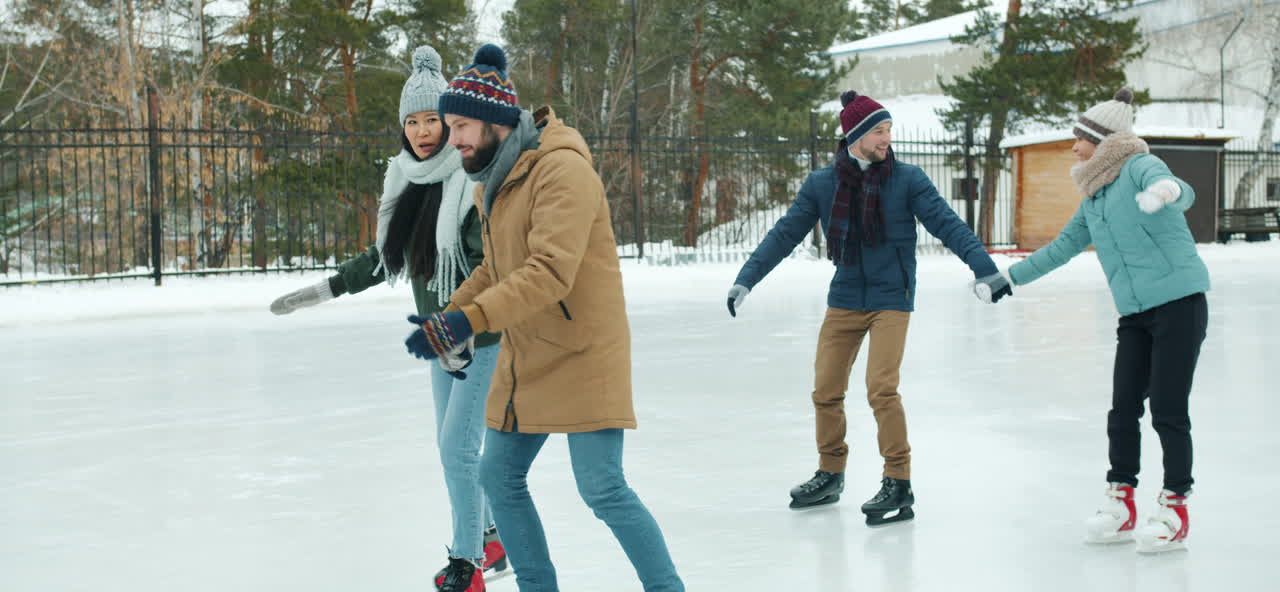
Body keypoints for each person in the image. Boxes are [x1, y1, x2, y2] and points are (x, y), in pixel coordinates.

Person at [404, 43, 684, 592]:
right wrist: (452, 314)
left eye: (460, 125)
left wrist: (469, 321)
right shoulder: (496, 179)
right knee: (498, 476)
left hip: (583, 351)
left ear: (493, 123)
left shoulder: (562, 171)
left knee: (601, 485)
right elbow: (494, 268)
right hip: (527, 352)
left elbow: (549, 271)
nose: (450, 137)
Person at [268, 45, 506, 591]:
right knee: (454, 448)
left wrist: (460, 322)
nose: (423, 131)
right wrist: (327, 287)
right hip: (437, 336)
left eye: (433, 120)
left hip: (478, 335)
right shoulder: (405, 180)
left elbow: (485, 265)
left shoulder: (467, 183)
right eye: (413, 121)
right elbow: (384, 258)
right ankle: (491, 536)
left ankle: (468, 566)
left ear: (450, 123)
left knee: (457, 450)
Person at [727, 90, 1009, 526]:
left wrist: (985, 269)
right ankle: (830, 472)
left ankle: (898, 480)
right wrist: (747, 277)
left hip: (892, 297)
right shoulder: (824, 184)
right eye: (879, 130)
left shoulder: (908, 179)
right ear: (855, 135)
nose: (887, 139)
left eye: (889, 129)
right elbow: (785, 234)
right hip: (845, 296)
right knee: (825, 389)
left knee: (881, 389)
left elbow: (947, 224)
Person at [978, 88, 1208, 554]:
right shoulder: (1094, 196)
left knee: (1167, 409)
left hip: (1180, 303)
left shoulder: (1137, 165)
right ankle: (1121, 502)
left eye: (1080, 138)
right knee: (1123, 408)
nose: (1074, 146)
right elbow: (1061, 248)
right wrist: (1009, 278)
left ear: (1103, 141)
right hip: (1136, 313)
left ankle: (1175, 508)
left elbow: (1180, 189)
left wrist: (1166, 192)